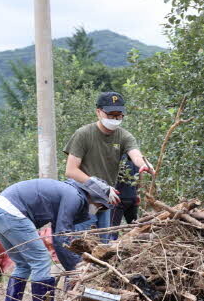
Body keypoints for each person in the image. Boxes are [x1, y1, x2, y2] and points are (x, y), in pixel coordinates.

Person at [0, 177, 113, 301]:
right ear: (94, 196)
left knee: (23, 264)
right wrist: (76, 267)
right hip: (12, 213)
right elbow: (61, 235)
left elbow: (59, 235)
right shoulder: (74, 197)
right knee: (40, 260)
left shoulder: (68, 191)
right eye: (99, 204)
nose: (98, 208)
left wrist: (71, 266)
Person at [63, 91, 155, 241]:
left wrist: (144, 164)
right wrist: (98, 186)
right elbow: (71, 171)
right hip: (82, 199)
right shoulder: (83, 134)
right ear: (98, 112)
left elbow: (135, 154)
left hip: (105, 200)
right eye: (111, 115)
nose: (115, 119)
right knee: (81, 243)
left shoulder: (124, 136)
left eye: (119, 115)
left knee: (104, 245)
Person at [110, 155, 140, 240]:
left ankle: (112, 248)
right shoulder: (135, 158)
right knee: (135, 227)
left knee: (113, 229)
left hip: (118, 198)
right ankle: (137, 244)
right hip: (132, 197)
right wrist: (137, 192)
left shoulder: (117, 157)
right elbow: (140, 176)